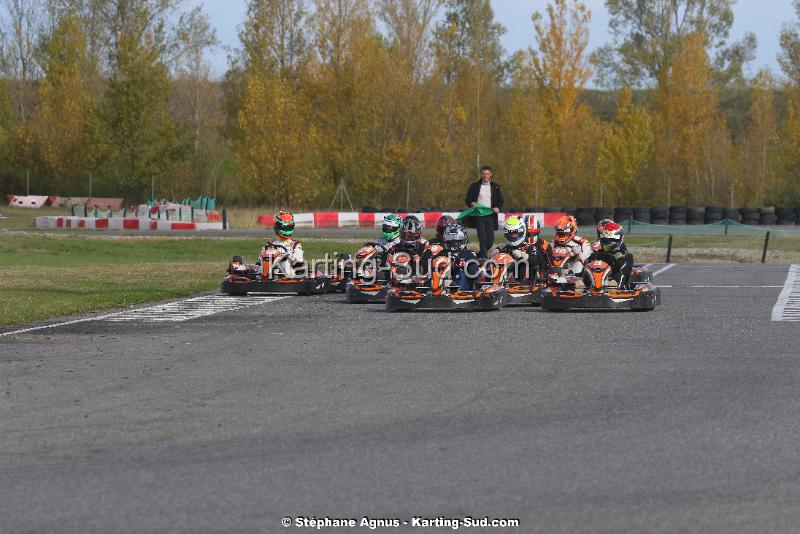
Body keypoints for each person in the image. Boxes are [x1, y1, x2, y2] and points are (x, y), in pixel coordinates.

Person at [493, 216, 553, 283]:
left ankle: (521, 284)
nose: (512, 236)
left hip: (531, 279)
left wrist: (523, 255)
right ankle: (493, 282)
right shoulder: (508, 246)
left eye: (514, 234)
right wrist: (496, 253)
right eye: (510, 234)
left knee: (523, 262)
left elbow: (537, 260)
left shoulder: (531, 246)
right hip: (510, 275)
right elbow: (502, 250)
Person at [464, 166, 503, 259]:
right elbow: (468, 199)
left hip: (490, 216)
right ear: (481, 174)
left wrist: (498, 208)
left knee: (490, 241)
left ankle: (478, 256)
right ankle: (484, 261)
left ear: (490, 175)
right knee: (483, 240)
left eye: (487, 174)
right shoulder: (474, 186)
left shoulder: (495, 187)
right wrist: (471, 203)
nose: (485, 176)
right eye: (484, 174)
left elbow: (500, 200)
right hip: (479, 216)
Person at [585, 221, 634, 289]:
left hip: (617, 283)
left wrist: (617, 259)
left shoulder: (625, 255)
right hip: (596, 282)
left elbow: (624, 271)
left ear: (618, 240)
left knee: (621, 268)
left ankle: (614, 287)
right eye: (605, 240)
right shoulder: (597, 254)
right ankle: (583, 287)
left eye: (611, 240)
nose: (607, 243)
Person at [435, 222, 481, 290]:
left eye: (456, 242)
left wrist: (464, 264)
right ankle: (431, 290)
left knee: (460, 272)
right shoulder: (442, 253)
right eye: (451, 242)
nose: (453, 244)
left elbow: (475, 274)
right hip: (442, 284)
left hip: (463, 288)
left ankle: (457, 290)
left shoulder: (469, 254)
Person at [258, 211, 305, 277]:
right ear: (277, 226)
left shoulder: (295, 245)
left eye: (289, 227)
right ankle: (260, 278)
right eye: (284, 227)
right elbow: (260, 261)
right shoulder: (269, 245)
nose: (287, 230)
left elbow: (299, 262)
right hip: (269, 273)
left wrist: (286, 256)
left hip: (289, 275)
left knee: (286, 263)